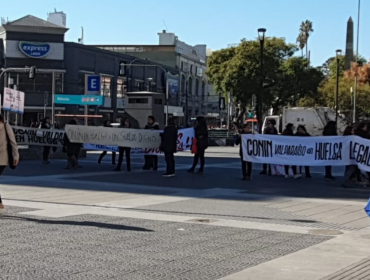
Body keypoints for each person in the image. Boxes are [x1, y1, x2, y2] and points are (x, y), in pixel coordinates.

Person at [0, 114, 19, 213]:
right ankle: (0, 204)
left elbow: (13, 142)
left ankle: (0, 204)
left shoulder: (6, 126)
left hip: (3, 158)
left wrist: (16, 156)